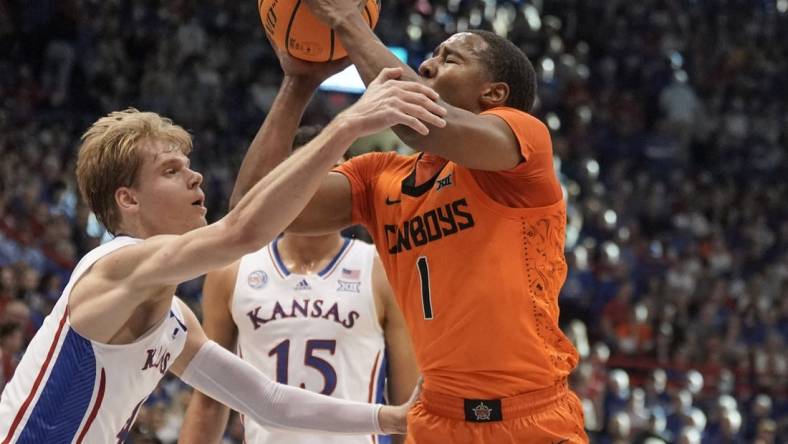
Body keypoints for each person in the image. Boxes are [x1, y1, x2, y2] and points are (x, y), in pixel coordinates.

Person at [0, 66, 447, 442]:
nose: (195, 178)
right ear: (128, 200)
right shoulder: (115, 265)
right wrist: (347, 125)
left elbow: (267, 402)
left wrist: (388, 417)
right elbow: (242, 232)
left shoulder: (176, 320)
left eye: (189, 166)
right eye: (171, 171)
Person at [232, 7, 588, 443]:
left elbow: (422, 124)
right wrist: (299, 83)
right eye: (432, 55)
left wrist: (348, 21)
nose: (426, 65)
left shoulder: (523, 143)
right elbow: (252, 211)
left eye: (451, 59)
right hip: (434, 420)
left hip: (530, 419)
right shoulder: (380, 177)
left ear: (494, 94)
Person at [180, 125, 419, 444]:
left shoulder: (382, 268)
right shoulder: (232, 270)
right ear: (283, 183)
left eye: (334, 174)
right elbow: (210, 399)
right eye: (307, 172)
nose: (319, 186)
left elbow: (408, 404)